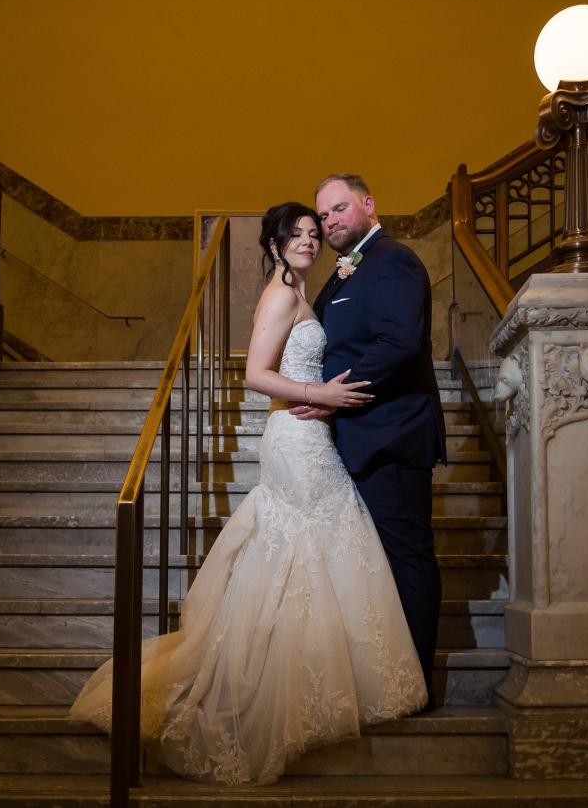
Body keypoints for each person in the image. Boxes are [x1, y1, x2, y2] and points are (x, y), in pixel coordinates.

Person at [68, 201, 426, 785]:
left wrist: (325, 399)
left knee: (323, 543)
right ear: (274, 244)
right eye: (298, 235)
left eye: (315, 233)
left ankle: (313, 682)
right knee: (303, 545)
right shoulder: (282, 294)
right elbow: (255, 374)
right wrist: (324, 394)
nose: (309, 241)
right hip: (295, 436)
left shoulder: (304, 293)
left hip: (311, 433)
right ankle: (275, 690)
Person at [298, 173, 446, 709]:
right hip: (358, 439)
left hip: (392, 436)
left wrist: (337, 395)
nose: (332, 220)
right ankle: (389, 677)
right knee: (377, 563)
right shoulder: (347, 271)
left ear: (368, 204)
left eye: (340, 209)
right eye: (325, 215)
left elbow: (399, 342)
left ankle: (418, 689)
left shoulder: (392, 259)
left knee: (407, 559)